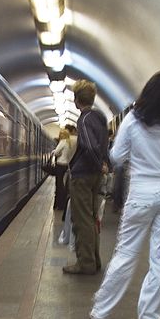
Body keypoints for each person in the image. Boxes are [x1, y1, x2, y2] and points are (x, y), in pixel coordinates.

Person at [89, 72, 160, 319]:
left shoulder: (133, 121)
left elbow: (115, 157)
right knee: (159, 259)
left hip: (140, 196)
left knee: (125, 254)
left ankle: (101, 311)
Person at [63, 80, 109, 275]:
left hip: (83, 175)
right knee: (92, 218)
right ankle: (95, 260)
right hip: (96, 175)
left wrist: (98, 163)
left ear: (76, 100)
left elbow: (89, 145)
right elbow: (103, 144)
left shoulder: (84, 119)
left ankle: (85, 263)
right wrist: (104, 164)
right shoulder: (100, 117)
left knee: (82, 220)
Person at [52, 127, 75, 211]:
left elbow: (56, 152)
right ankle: (62, 204)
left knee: (59, 185)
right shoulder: (69, 143)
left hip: (60, 165)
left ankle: (58, 204)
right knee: (63, 185)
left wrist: (54, 152)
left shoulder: (62, 142)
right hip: (66, 165)